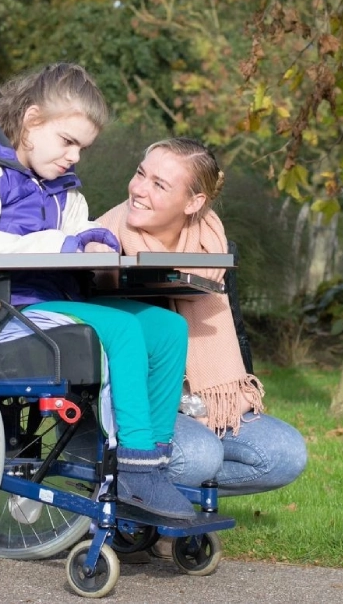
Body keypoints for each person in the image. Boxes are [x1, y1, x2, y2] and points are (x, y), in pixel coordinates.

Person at [0, 63, 195, 519]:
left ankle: (155, 459)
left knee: (168, 328)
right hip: (1, 312)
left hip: (56, 301)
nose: (74, 157)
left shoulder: (56, 178)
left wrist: (95, 239)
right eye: (68, 141)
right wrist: (64, 243)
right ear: (32, 121)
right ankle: (134, 471)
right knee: (125, 331)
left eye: (82, 148)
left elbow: (76, 229)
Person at [99, 137, 307, 498]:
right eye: (140, 174)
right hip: (131, 408)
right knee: (199, 455)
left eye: (159, 185)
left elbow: (236, 332)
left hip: (201, 400)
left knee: (285, 454)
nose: (139, 190)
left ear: (194, 202)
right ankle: (138, 507)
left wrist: (214, 403)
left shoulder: (213, 248)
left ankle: (159, 497)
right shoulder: (102, 243)